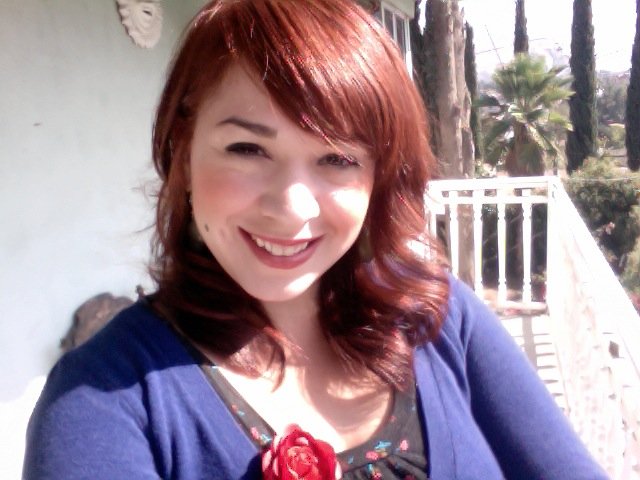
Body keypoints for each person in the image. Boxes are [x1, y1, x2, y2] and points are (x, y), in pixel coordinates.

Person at [23, 1, 608, 479]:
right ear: (183, 148)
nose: (292, 207)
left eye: (337, 158)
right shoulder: (103, 403)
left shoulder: (439, 319)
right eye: (248, 149)